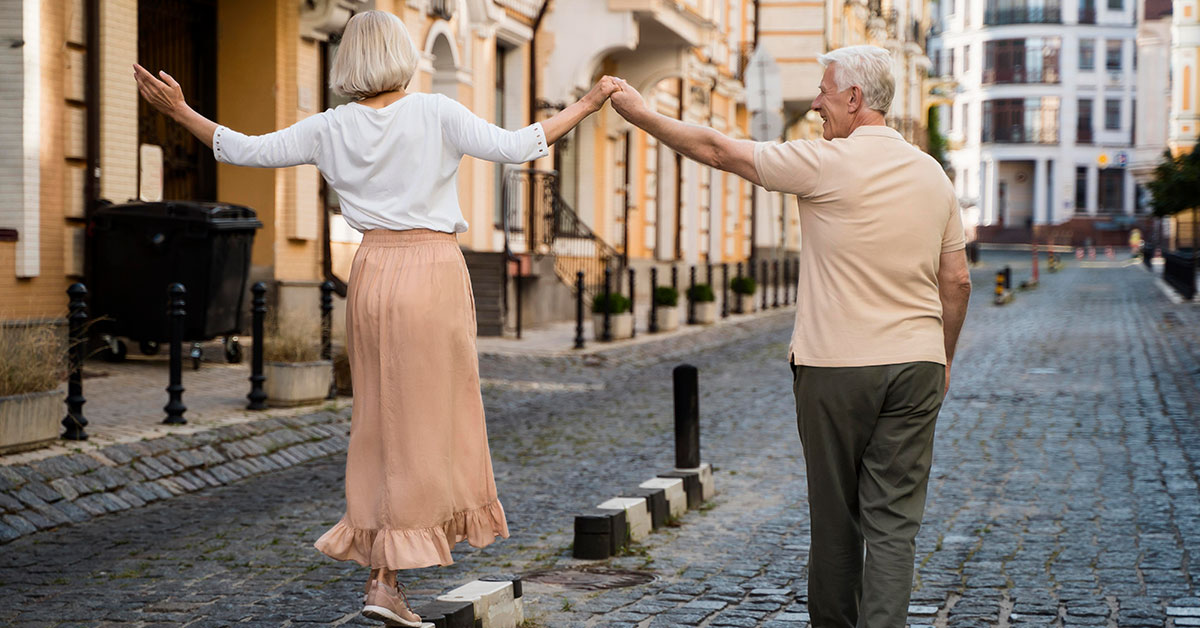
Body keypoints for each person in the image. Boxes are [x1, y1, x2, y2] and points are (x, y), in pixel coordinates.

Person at [134, 11, 617, 626]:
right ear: (401, 55)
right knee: (433, 418)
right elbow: (520, 145)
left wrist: (180, 111)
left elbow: (245, 149)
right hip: (433, 269)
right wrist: (591, 101)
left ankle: (384, 573)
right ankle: (386, 576)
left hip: (372, 272)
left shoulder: (331, 127)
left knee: (381, 421)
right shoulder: (436, 112)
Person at [608, 45, 972, 627]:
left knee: (836, 524)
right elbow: (957, 281)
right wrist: (944, 357)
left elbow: (718, 151)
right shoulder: (934, 175)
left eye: (824, 91)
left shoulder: (826, 162)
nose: (815, 103)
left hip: (836, 368)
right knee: (894, 526)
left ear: (854, 99)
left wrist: (643, 115)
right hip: (918, 367)